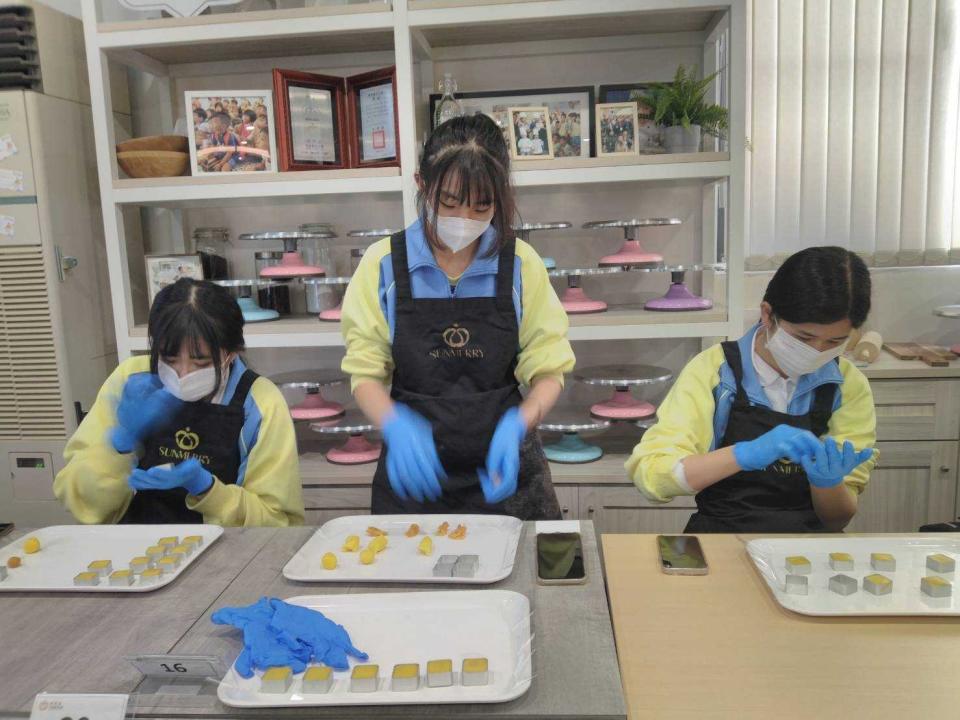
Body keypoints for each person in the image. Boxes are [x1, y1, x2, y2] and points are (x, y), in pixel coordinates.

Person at [340, 113, 575, 519]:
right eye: (449, 202)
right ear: (421, 185)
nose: (464, 220)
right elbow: (365, 374)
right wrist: (394, 423)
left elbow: (549, 368)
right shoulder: (382, 265)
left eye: (482, 206)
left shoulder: (520, 264)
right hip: (415, 480)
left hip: (506, 477)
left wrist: (521, 421)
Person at [627, 246, 877, 533]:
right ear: (767, 315)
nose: (816, 352)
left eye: (834, 342)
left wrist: (828, 482)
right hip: (722, 537)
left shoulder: (847, 384)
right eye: (803, 338)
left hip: (808, 548)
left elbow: (837, 519)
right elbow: (652, 475)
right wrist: (744, 454)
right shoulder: (716, 371)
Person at [54, 279, 304, 526]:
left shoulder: (261, 402)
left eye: (201, 362)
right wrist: (118, 445)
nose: (183, 374)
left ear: (231, 352)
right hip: (136, 547)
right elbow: (81, 504)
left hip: (228, 552)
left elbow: (277, 523)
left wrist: (208, 490)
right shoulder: (131, 381)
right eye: (170, 358)